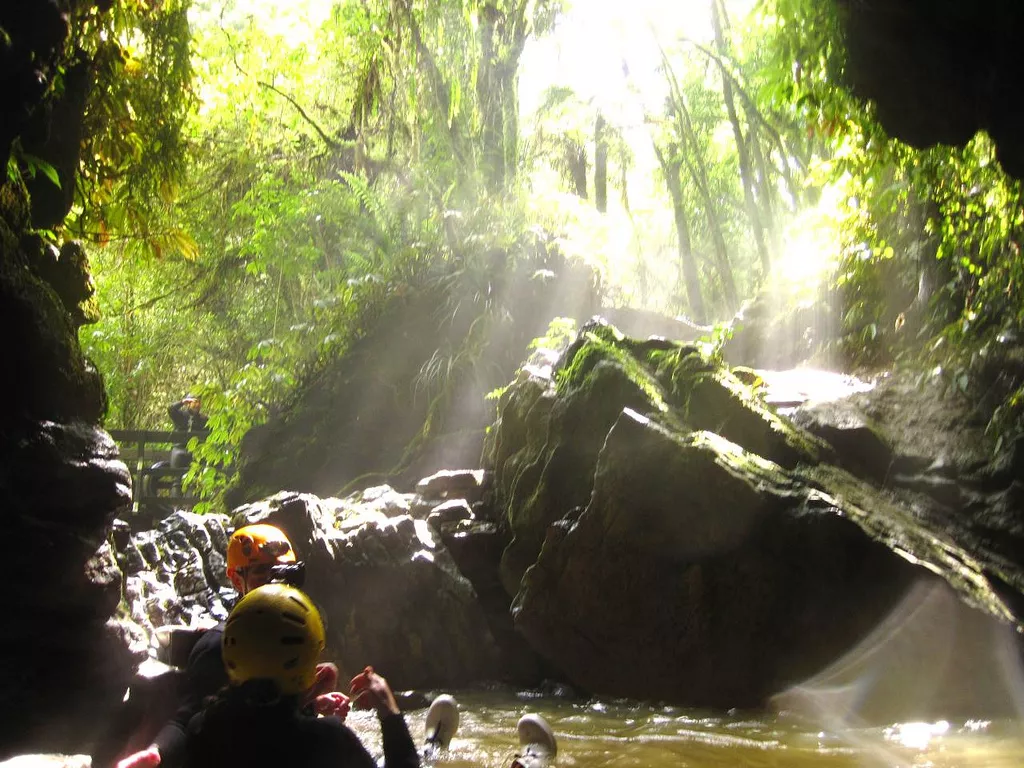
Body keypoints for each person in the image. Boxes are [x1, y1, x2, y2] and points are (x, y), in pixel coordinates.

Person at [111, 524, 330, 768]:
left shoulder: (305, 632)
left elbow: (285, 712)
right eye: (263, 572)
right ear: (237, 578)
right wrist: (157, 753)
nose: (276, 582)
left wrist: (314, 702)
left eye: (285, 573)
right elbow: (189, 718)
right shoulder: (219, 646)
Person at [184, 583, 420, 768]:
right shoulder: (327, 740)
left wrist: (306, 703)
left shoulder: (203, 728)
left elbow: (263, 727)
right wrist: (390, 713)